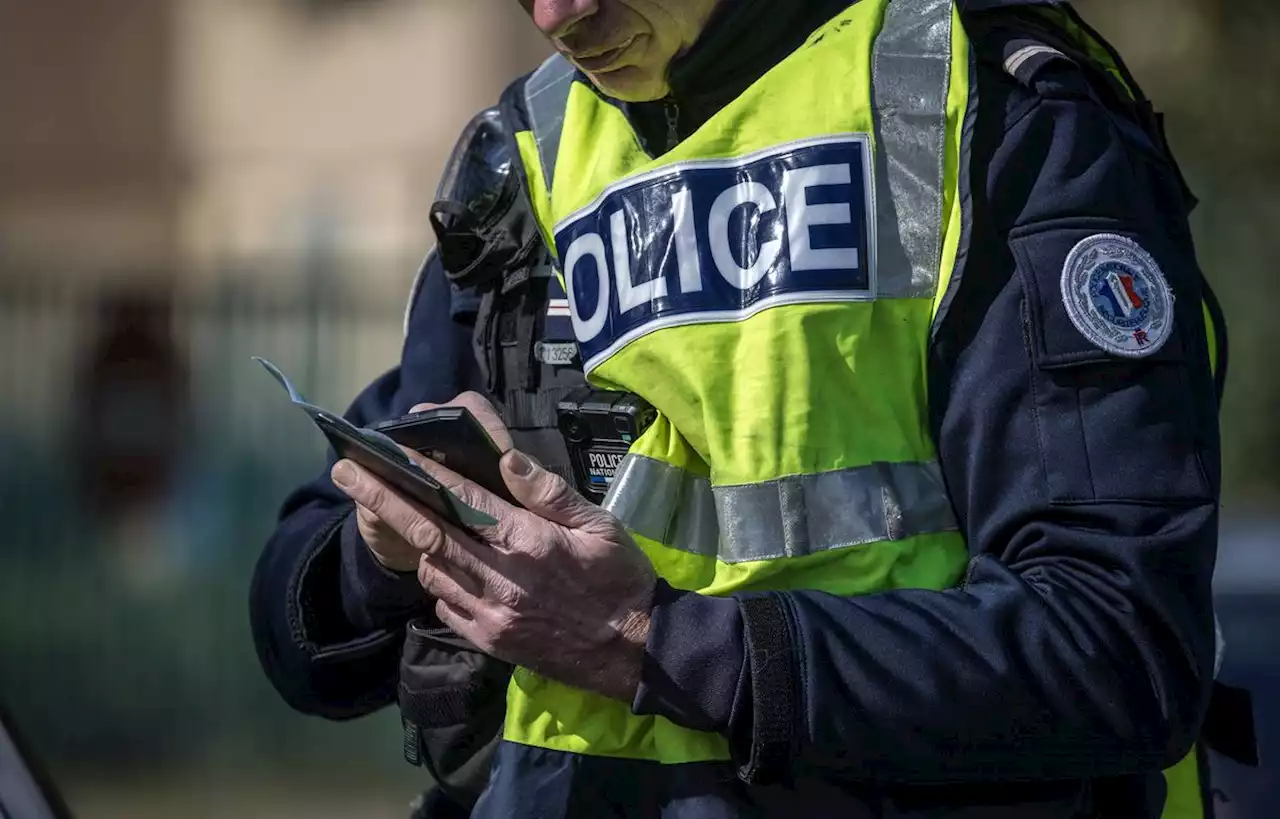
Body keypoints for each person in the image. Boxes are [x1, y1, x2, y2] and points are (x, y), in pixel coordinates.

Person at [250, 1, 1255, 817]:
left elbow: (1114, 650)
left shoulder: (983, 104)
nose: (561, 11)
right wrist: (385, 552)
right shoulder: (524, 154)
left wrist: (652, 643)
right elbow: (302, 640)